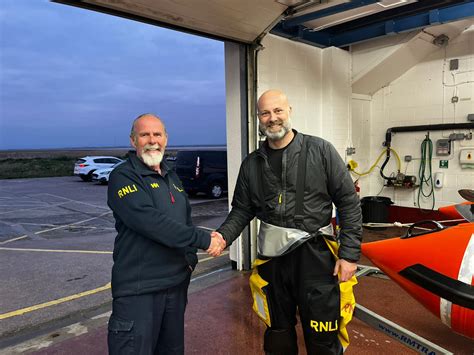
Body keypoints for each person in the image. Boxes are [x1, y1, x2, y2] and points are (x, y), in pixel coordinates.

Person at [211, 90, 362, 354]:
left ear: (289, 111)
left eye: (278, 111)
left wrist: (348, 255)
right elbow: (242, 210)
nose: (272, 118)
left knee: (322, 334)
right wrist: (223, 236)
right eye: (265, 113)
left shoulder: (321, 151)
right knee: (277, 334)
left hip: (316, 259)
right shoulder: (251, 165)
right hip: (272, 262)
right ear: (259, 118)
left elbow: (348, 202)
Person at [107, 113, 224, 354]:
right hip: (139, 290)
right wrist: (204, 240)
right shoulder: (123, 176)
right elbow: (152, 222)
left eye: (157, 134)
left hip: (175, 287)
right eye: (144, 135)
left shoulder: (172, 177)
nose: (152, 140)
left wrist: (189, 262)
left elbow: (184, 221)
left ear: (166, 139)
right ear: (133, 141)